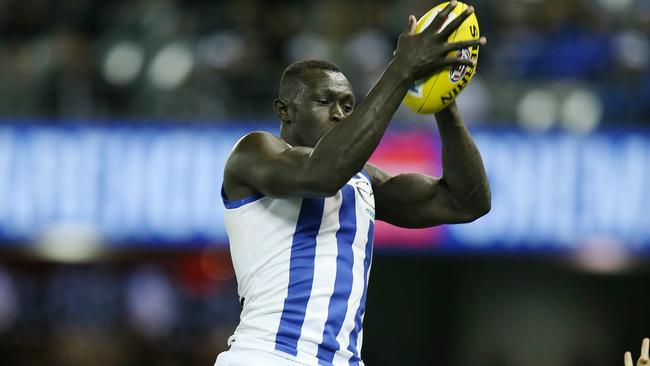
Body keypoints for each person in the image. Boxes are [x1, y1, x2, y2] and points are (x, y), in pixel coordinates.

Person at [216, 1, 490, 365]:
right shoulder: (254, 152)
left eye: (348, 105)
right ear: (285, 111)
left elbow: (465, 201)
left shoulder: (363, 181)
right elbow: (321, 174)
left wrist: (440, 96)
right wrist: (400, 71)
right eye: (325, 101)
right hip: (268, 355)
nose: (339, 113)